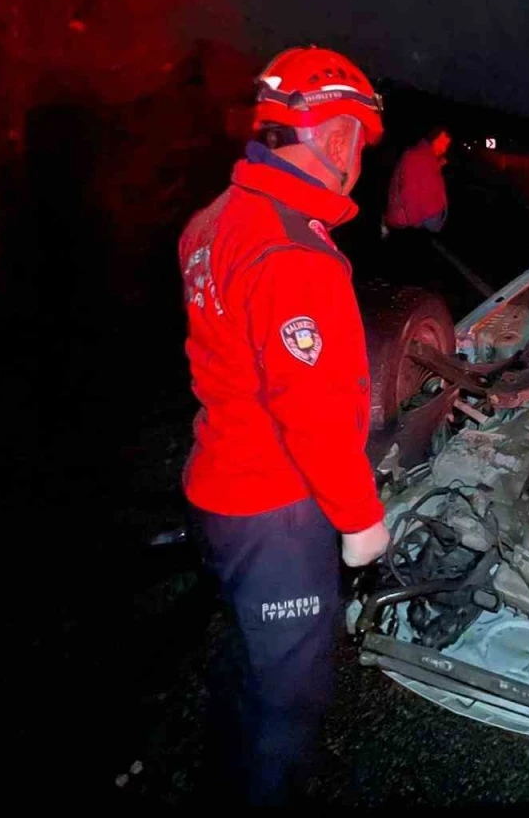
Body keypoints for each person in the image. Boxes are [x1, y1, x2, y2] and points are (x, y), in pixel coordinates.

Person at [178, 45, 390, 804]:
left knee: (247, 665)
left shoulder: (215, 220)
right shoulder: (294, 254)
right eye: (358, 147)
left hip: (218, 489)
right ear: (334, 140)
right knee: (287, 705)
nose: (358, 162)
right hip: (276, 510)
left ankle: (223, 780)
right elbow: (314, 415)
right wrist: (361, 520)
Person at [384, 125, 451, 234]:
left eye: (446, 146)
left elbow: (424, 178)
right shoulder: (417, 157)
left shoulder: (428, 158)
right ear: (432, 139)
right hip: (410, 224)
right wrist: (415, 223)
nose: (443, 149)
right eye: (441, 143)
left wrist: (438, 165)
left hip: (420, 222)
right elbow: (409, 192)